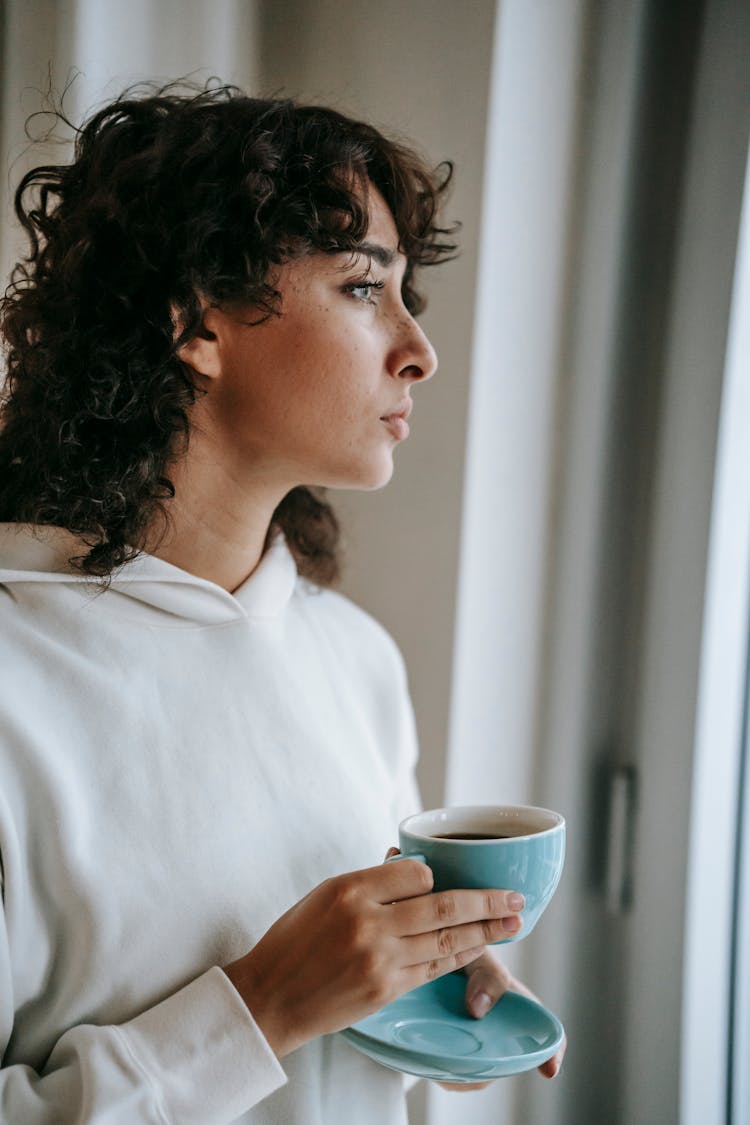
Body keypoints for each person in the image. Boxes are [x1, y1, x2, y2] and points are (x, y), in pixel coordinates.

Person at [0, 82, 564, 1123]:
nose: (419, 351)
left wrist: (424, 986)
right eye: (363, 287)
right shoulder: (12, 681)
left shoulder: (355, 657)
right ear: (194, 321)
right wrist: (259, 1010)